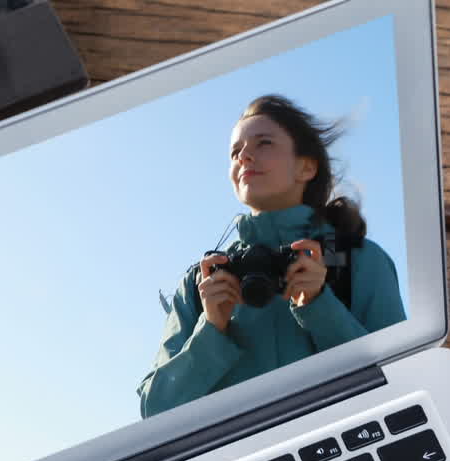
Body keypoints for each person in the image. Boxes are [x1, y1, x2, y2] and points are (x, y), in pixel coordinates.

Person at [137, 95, 406, 418]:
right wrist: (211, 328)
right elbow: (154, 410)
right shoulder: (203, 281)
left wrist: (321, 306)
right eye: (235, 152)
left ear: (306, 167)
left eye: (263, 144)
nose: (245, 156)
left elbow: (401, 380)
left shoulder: (357, 261)